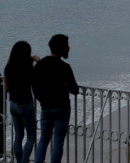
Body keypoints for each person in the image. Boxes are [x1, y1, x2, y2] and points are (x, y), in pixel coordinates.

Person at [32, 34, 79, 163]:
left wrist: (42, 100)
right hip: (62, 108)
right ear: (62, 48)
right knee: (58, 141)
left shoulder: (40, 65)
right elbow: (75, 90)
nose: (69, 48)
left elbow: (34, 87)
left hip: (46, 108)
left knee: (44, 139)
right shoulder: (65, 67)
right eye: (67, 46)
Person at [4, 41, 39, 163]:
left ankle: (19, 161)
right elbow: (36, 78)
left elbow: (6, 88)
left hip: (13, 104)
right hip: (25, 104)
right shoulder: (27, 67)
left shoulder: (8, 67)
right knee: (31, 136)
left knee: (18, 135)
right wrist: (37, 61)